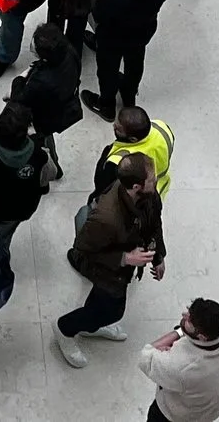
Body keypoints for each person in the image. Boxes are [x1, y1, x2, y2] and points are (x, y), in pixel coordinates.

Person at [52, 149, 164, 368]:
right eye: (152, 178)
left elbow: (154, 223)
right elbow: (83, 248)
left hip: (125, 263)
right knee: (113, 311)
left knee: (102, 305)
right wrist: (124, 258)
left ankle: (90, 326)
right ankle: (64, 328)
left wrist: (158, 256)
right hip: (107, 268)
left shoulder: (149, 194)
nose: (156, 179)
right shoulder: (106, 218)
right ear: (136, 186)